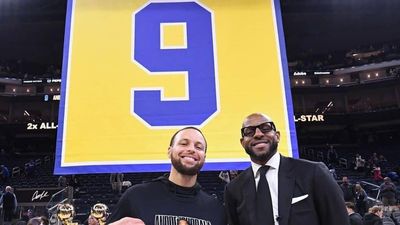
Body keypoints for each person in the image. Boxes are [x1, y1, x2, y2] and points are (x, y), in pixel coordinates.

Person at [224, 113, 349, 225]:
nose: (258, 134)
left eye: (266, 128)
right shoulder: (234, 189)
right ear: (242, 142)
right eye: (249, 131)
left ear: (277, 136)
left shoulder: (313, 172)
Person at [107, 127, 226, 225]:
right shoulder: (136, 196)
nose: (191, 149)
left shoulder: (215, 209)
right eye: (184, 143)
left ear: (204, 157)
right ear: (169, 151)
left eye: (198, 147)